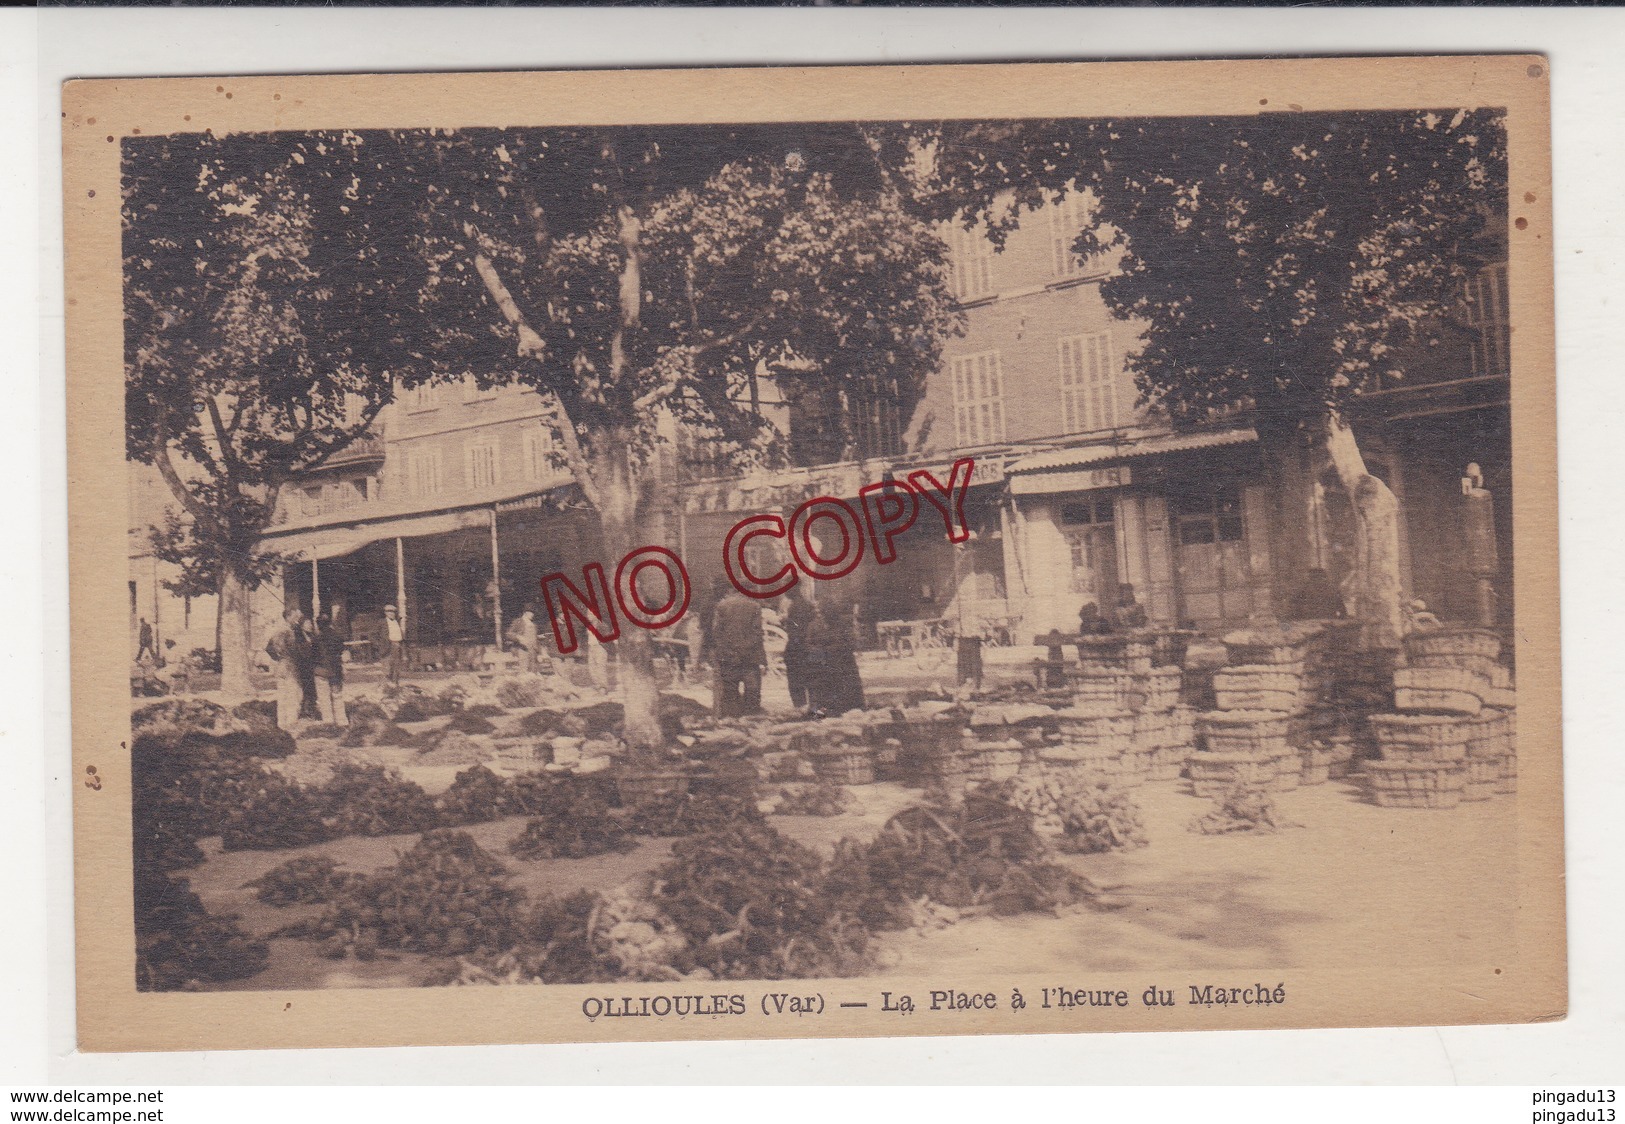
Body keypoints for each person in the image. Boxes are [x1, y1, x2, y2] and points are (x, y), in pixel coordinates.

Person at [708, 585, 766, 718]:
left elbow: (716, 632)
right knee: (752, 692)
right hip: (749, 657)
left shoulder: (722, 605)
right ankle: (752, 722)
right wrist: (745, 648)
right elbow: (757, 633)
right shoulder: (755, 606)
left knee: (730, 692)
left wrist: (728, 650)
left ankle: (732, 722)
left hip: (728, 657)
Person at [806, 596, 865, 716]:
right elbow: (809, 644)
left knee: (846, 698)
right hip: (823, 665)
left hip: (842, 666)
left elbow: (850, 643)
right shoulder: (814, 626)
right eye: (820, 612)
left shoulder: (842, 625)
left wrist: (832, 649)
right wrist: (819, 651)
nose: (822, 615)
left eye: (825, 612)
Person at [265, 607, 311, 730]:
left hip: (280, 666)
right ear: (289, 617)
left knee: (282, 694)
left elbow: (268, 648)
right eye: (294, 617)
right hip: (290, 665)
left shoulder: (276, 631)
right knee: (293, 693)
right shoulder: (289, 632)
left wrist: (277, 658)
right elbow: (296, 649)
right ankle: (291, 721)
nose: (296, 620)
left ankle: (281, 721)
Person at [312, 606, 348, 725]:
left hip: (321, 671)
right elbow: (342, 651)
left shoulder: (316, 638)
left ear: (318, 625)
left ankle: (328, 721)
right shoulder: (338, 636)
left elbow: (313, 655)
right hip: (335, 670)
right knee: (337, 696)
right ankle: (342, 721)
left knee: (324, 698)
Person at [780, 585, 814, 711]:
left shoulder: (795, 606)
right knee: (808, 680)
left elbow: (797, 630)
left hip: (797, 647)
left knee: (796, 681)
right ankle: (810, 708)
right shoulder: (805, 603)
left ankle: (800, 708)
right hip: (805, 647)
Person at [506, 605, 540, 673]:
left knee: (533, 671)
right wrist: (519, 637)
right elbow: (508, 634)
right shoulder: (518, 621)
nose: (532, 615)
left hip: (533, 651)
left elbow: (535, 638)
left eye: (533, 613)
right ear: (525, 613)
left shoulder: (533, 624)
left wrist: (539, 652)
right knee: (524, 670)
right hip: (522, 649)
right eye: (530, 612)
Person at [382, 603, 406, 685]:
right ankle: (387, 687)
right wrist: (380, 645)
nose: (391, 613)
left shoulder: (397, 622)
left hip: (398, 646)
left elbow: (401, 635)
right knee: (388, 668)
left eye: (393, 612)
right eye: (389, 612)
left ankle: (395, 685)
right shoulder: (382, 623)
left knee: (397, 667)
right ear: (385, 613)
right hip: (388, 647)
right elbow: (374, 636)